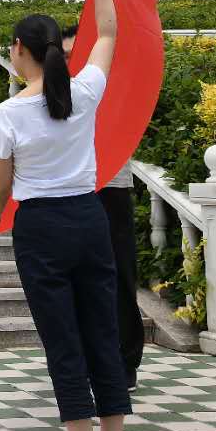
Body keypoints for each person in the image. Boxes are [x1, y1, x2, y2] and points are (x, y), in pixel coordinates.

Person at [0, 0, 129, 431]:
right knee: (102, 332)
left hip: (41, 228)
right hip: (90, 218)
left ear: (18, 50)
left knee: (63, 342)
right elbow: (107, 34)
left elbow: (0, 184)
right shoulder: (83, 91)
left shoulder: (9, 113)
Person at [64, 21, 144, 392]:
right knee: (75, 281)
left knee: (118, 276)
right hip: (70, 195)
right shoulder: (51, 95)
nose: (69, 62)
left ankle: (125, 361)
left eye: (74, 54)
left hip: (111, 188)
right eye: (63, 55)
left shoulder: (103, 87)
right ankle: (83, 360)